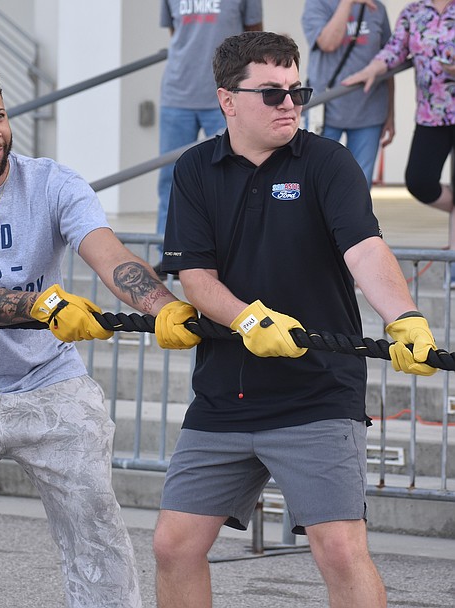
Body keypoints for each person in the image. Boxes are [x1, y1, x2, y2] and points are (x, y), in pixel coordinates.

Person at [0, 65, 201, 608]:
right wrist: (41, 303)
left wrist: (165, 307)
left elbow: (109, 254)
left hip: (49, 379)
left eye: (0, 115)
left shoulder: (54, 182)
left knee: (97, 527)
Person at [154, 31, 439, 608]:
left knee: (339, 549)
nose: (289, 103)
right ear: (227, 100)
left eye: (296, 91)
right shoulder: (195, 170)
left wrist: (405, 316)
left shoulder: (328, 162)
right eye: (271, 93)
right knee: (174, 544)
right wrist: (249, 321)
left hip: (317, 392)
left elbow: (365, 249)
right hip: (223, 396)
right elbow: (196, 279)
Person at [343, 0, 455, 281]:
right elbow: (394, 51)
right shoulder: (414, 12)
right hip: (432, 115)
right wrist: (372, 70)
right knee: (419, 181)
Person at [154, 0, 262, 273]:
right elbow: (176, 34)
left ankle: (228, 251)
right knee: (170, 176)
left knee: (231, 175)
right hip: (178, 94)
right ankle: (170, 253)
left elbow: (254, 39)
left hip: (227, 95)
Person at [302, 0, 394, 188]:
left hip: (369, 110)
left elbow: (389, 61)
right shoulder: (317, 4)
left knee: (359, 184)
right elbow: (328, 43)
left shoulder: (377, 8)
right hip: (325, 109)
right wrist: (347, 3)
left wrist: (390, 114)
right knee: (317, 179)